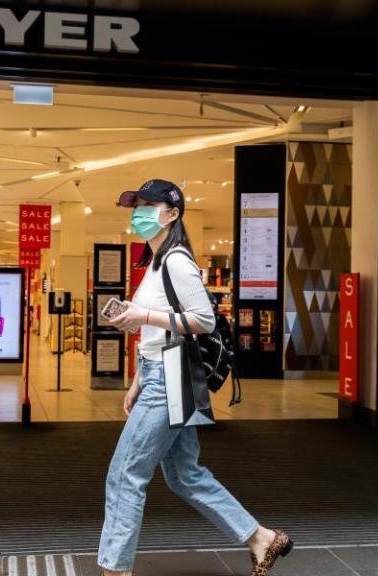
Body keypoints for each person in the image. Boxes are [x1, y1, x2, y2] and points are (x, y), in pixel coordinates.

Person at [97, 179, 292, 576]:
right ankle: (262, 539)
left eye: (148, 206)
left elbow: (202, 320)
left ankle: (115, 570)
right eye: (136, 206)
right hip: (164, 372)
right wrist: (138, 375)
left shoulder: (176, 261)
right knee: (185, 475)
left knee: (125, 474)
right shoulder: (153, 264)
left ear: (172, 214)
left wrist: (141, 316)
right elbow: (159, 331)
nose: (139, 214)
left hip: (170, 377)